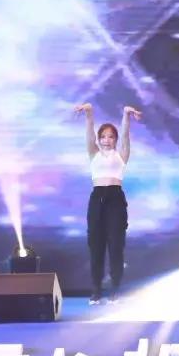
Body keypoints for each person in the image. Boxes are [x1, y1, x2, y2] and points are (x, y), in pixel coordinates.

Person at [74, 103, 141, 305]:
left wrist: (126, 115)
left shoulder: (121, 155)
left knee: (115, 245)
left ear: (115, 140)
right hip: (97, 199)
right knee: (96, 246)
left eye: (111, 137)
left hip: (115, 200)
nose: (106, 140)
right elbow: (89, 132)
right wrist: (89, 113)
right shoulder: (93, 154)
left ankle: (115, 289)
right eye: (103, 136)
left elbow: (126, 135)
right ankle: (96, 289)